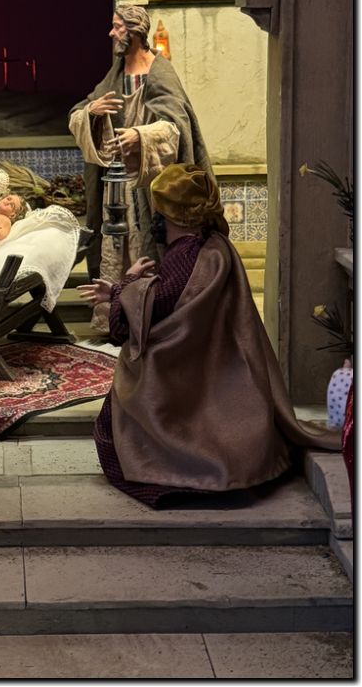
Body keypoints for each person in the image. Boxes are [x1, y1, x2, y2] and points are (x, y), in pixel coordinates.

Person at [78, 163, 340, 508]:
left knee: (117, 413)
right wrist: (122, 291)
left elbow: (157, 308)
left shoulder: (184, 255)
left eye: (158, 211)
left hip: (183, 364)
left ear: (172, 215)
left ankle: (173, 471)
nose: (154, 218)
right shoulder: (212, 245)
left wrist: (125, 284)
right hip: (214, 358)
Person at [68, 4, 212, 309]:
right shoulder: (116, 74)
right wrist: (91, 112)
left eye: (117, 27)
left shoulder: (160, 71)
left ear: (134, 31)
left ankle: (153, 309)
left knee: (149, 242)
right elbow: (81, 110)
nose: (111, 33)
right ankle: (117, 310)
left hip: (151, 180)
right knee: (117, 245)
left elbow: (177, 124)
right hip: (117, 181)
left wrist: (142, 136)